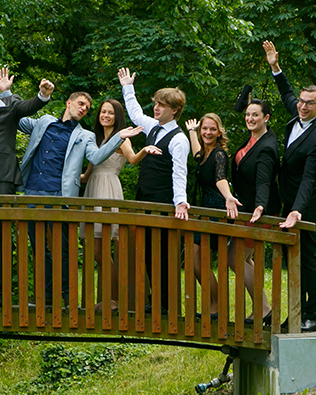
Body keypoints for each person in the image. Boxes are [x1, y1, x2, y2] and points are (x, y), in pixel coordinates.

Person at [18, 90, 135, 304]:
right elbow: (17, 117)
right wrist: (10, 92)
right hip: (33, 191)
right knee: (39, 249)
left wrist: (119, 137)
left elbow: (97, 156)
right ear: (68, 102)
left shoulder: (85, 136)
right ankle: (44, 298)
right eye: (81, 103)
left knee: (62, 249)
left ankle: (64, 298)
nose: (83, 109)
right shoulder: (44, 122)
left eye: (87, 108)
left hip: (61, 196)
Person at [0, 67, 52, 302]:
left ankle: (2, 291)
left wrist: (42, 95)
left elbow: (28, 107)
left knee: (0, 234)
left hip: (0, 177)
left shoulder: (9, 103)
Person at [263, 41, 316, 332]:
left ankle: (314, 314)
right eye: (301, 101)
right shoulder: (297, 112)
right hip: (290, 197)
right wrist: (275, 66)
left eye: (309, 103)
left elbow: (309, 178)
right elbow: (286, 92)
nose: (302, 105)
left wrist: (297, 210)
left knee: (308, 255)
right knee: (293, 256)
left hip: (307, 200)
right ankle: (296, 311)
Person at [119, 67, 191, 313]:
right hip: (145, 200)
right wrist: (128, 87)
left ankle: (166, 304)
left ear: (175, 110)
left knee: (163, 254)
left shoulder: (179, 139)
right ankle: (158, 301)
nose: (156, 108)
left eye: (162, 105)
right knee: (149, 252)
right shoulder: (153, 128)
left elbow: (180, 172)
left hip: (162, 203)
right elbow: (135, 112)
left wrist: (180, 202)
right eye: (156, 104)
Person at [79, 99, 151, 309]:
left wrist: (145, 149)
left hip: (108, 189)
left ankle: (114, 298)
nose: (106, 116)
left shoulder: (122, 138)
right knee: (93, 249)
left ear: (117, 116)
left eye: (110, 113)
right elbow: (87, 175)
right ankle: (110, 299)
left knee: (102, 250)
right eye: (103, 112)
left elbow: (133, 159)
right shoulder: (96, 139)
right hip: (92, 188)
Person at [185, 113, 241, 316]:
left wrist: (228, 197)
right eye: (204, 129)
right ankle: (216, 303)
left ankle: (217, 306)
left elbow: (220, 178)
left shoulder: (218, 154)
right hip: (205, 211)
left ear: (219, 132)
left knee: (199, 259)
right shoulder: (205, 153)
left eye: (212, 129)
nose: (208, 132)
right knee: (194, 260)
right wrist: (192, 132)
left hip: (217, 210)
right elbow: (196, 155)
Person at [230, 98, 280, 323]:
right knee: (238, 257)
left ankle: (264, 308)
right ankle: (263, 307)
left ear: (266, 118)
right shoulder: (252, 139)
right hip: (247, 209)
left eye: (255, 115)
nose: (250, 119)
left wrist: (260, 205)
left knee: (236, 257)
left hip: (259, 211)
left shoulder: (267, 146)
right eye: (248, 114)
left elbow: (264, 180)